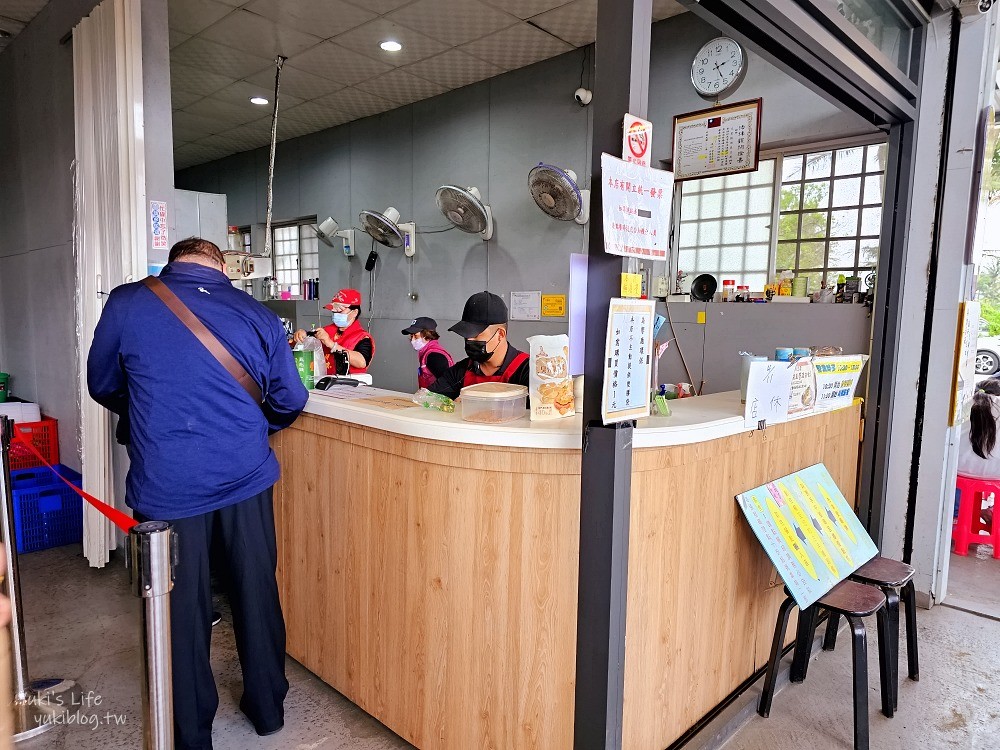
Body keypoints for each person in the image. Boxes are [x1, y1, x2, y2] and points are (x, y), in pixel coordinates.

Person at [87, 237, 308, 749]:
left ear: (173, 263)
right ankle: (267, 708)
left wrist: (148, 411)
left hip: (168, 485)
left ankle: (190, 732)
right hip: (246, 475)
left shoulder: (127, 301)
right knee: (256, 589)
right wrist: (253, 429)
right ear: (223, 266)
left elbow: (103, 384)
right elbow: (290, 397)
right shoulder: (257, 311)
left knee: (180, 609)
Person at [427, 291, 529, 400]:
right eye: (466, 334)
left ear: (500, 334)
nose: (469, 340)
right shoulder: (460, 371)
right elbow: (428, 400)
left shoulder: (528, 370)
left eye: (476, 334)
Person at [293, 288, 374, 375]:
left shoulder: (362, 337)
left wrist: (331, 344)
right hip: (323, 382)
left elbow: (362, 362)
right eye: (334, 311)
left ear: (354, 312)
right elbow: (310, 337)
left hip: (349, 384)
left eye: (340, 311)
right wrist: (303, 334)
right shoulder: (327, 330)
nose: (336, 314)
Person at [958, 379, 1000, 527]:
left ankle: (957, 512)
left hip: (959, 470)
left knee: (952, 479)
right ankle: (994, 511)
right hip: (995, 473)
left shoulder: (964, 404)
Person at [402, 316, 454, 389]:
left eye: (416, 336)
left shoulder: (434, 356)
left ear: (427, 335)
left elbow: (448, 385)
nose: (412, 340)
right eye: (411, 336)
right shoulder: (426, 354)